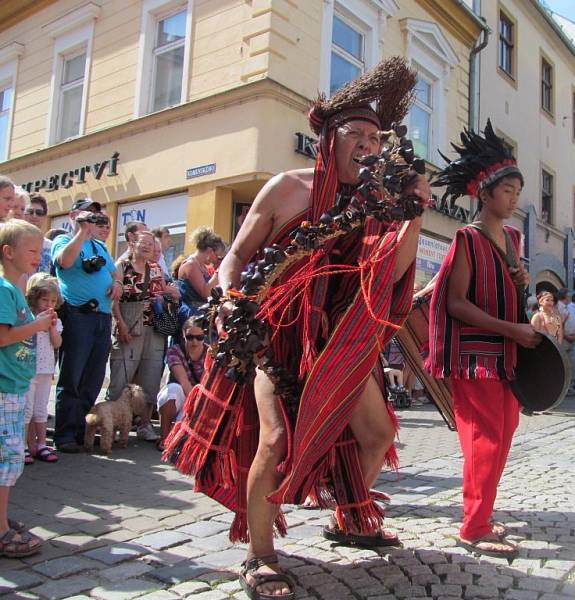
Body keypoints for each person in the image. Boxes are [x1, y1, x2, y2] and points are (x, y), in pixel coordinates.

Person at [164, 57, 424, 599]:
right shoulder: (287, 188)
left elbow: (394, 274)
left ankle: (347, 516)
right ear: (329, 135)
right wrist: (230, 301)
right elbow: (234, 257)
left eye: (377, 140)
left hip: (341, 343)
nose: (369, 147)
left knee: (377, 435)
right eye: (357, 135)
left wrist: (416, 211)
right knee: (275, 440)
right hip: (277, 336)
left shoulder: (378, 205)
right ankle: (260, 556)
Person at [427, 120, 538, 560]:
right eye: (507, 190)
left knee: (504, 434)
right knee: (483, 440)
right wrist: (512, 328)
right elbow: (455, 303)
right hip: (476, 357)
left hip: (507, 355)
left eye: (517, 191)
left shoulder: (512, 239)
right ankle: (473, 527)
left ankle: (484, 512)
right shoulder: (466, 238)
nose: (514, 198)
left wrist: (522, 282)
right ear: (485, 194)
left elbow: (506, 293)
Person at [0, 219, 55, 558]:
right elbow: (4, 336)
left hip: (13, 385)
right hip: (6, 386)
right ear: (8, 252)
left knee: (9, 459)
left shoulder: (14, 289)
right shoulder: (6, 290)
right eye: (32, 250)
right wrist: (38, 324)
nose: (38, 256)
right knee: (6, 461)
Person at [51, 198, 122, 453]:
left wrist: (118, 285)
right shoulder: (64, 240)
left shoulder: (100, 247)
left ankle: (82, 430)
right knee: (72, 377)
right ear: (73, 215)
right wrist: (81, 230)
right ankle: (65, 434)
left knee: (93, 378)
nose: (94, 218)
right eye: (88, 214)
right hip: (79, 316)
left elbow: (116, 273)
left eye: (97, 214)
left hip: (102, 318)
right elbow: (66, 262)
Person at [109, 230, 180, 441]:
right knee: (122, 374)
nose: (149, 247)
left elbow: (165, 290)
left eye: (152, 243)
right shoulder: (122, 266)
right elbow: (114, 301)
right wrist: (120, 324)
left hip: (154, 328)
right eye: (145, 242)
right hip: (129, 326)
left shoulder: (157, 268)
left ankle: (145, 424)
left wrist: (172, 292)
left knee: (151, 375)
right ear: (132, 243)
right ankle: (112, 424)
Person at [23, 274, 63, 464]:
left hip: (46, 370)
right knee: (27, 409)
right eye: (45, 300)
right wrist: (37, 323)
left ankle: (41, 444)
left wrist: (52, 327)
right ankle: (22, 445)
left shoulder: (55, 320)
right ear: (35, 298)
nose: (49, 304)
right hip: (28, 370)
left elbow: (57, 343)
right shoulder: (27, 317)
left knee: (41, 409)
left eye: (53, 301)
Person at [156, 317, 207, 451]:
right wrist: (194, 406)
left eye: (199, 337)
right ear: (184, 334)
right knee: (172, 391)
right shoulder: (175, 350)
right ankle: (165, 439)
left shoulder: (210, 353)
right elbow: (183, 380)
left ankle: (183, 437)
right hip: (185, 394)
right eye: (190, 337)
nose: (194, 341)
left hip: (201, 397)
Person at [175, 227, 223, 315]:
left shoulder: (202, 266)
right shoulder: (190, 264)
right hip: (191, 313)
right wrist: (218, 273)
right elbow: (205, 292)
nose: (217, 260)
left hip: (201, 311)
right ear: (210, 251)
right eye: (217, 256)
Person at [22, 193, 51, 273]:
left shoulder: (50, 245)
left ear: (44, 217)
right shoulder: (13, 240)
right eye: (30, 211)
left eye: (39, 213)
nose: (34, 216)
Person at [557, 289, 575, 394]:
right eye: (569, 296)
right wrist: (566, 336)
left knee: (571, 365)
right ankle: (564, 388)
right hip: (564, 340)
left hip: (571, 340)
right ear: (565, 296)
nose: (570, 297)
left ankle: (569, 387)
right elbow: (558, 325)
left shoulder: (568, 307)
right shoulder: (558, 308)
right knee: (564, 364)